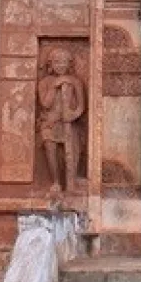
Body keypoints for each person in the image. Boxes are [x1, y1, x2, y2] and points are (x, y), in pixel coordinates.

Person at [38, 48, 86, 193]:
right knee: (50, 149)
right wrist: (54, 86)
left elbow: (81, 106)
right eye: (56, 62)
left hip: (68, 124)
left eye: (63, 62)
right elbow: (45, 104)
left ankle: (70, 182)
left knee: (71, 153)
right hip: (50, 123)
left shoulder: (75, 82)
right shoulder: (45, 82)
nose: (60, 65)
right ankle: (56, 182)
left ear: (69, 64)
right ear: (50, 64)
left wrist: (72, 114)